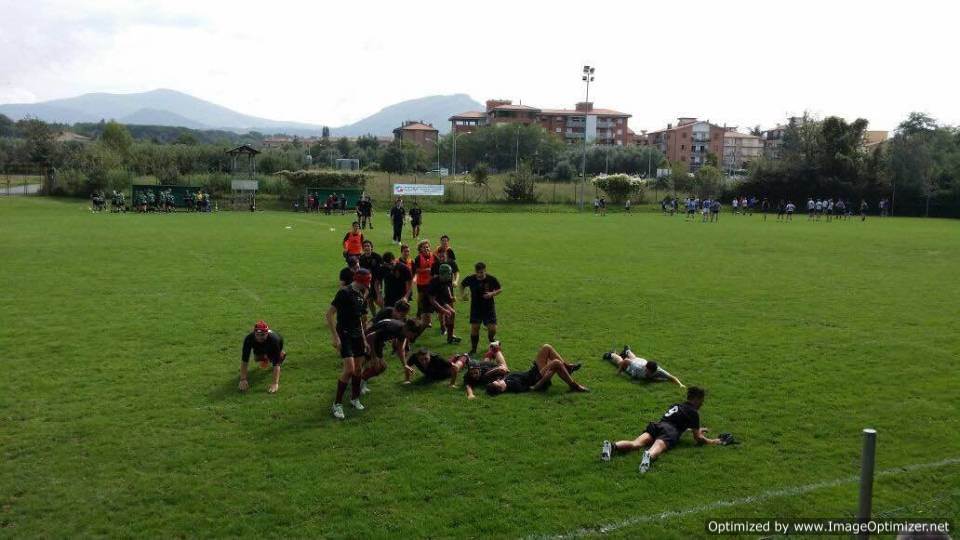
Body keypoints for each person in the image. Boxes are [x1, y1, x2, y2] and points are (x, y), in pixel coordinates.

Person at [601, 387, 734, 473]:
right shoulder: (694, 412)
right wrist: (713, 441)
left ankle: (613, 446)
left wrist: (695, 429)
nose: (702, 403)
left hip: (658, 425)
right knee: (658, 446)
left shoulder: (676, 405)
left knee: (636, 443)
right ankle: (649, 455)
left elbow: (677, 421)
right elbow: (698, 438)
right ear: (695, 399)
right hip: (670, 431)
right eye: (701, 400)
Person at [326, 268, 371, 419]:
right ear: (359, 281)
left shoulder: (362, 294)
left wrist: (364, 338)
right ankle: (337, 404)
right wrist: (335, 337)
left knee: (358, 369)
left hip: (357, 334)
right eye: (367, 282)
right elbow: (329, 314)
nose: (368, 285)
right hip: (344, 334)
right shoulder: (344, 293)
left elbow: (359, 318)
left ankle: (354, 398)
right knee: (350, 369)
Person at [485, 344, 588, 395]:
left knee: (546, 347)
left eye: (496, 380)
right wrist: (549, 374)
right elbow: (534, 387)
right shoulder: (515, 387)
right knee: (556, 363)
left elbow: (486, 376)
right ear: (501, 389)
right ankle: (574, 385)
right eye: (498, 383)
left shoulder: (504, 380)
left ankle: (567, 368)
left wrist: (496, 371)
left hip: (534, 371)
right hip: (538, 378)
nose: (498, 380)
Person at [361, 318, 424, 389]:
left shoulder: (403, 332)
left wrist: (405, 365)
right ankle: (358, 384)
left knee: (380, 367)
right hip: (366, 340)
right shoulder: (392, 328)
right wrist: (374, 356)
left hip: (378, 341)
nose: (413, 337)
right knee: (373, 365)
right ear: (407, 329)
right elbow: (370, 337)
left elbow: (400, 349)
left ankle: (361, 382)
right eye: (413, 334)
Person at [460, 262, 502, 355]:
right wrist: (463, 295)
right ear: (476, 272)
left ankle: (491, 339)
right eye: (478, 273)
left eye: (482, 273)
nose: (480, 275)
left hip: (489, 308)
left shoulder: (491, 279)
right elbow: (462, 285)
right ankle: (473, 349)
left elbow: (499, 289)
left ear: (485, 271)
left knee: (492, 329)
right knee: (475, 328)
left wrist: (492, 294)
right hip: (476, 308)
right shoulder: (471, 278)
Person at [239, 320, 286, 393]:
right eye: (257, 334)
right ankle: (266, 358)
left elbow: (276, 364)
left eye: (263, 334)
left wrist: (275, 384)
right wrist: (243, 379)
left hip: (273, 344)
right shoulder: (249, 339)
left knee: (274, 359)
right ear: (254, 333)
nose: (260, 337)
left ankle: (281, 354)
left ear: (267, 333)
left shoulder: (274, 340)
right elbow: (244, 360)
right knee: (257, 358)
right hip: (260, 345)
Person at [602, 346, 684, 387]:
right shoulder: (638, 367)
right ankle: (611, 355)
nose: (650, 373)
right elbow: (626, 361)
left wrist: (680, 385)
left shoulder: (658, 370)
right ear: (646, 368)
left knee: (634, 358)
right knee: (621, 362)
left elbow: (672, 377)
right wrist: (619, 372)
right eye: (648, 371)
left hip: (639, 361)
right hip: (633, 366)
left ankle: (627, 351)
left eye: (652, 372)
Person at [427, 264, 461, 344]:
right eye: (449, 273)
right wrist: (443, 310)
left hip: (440, 299)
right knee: (425, 323)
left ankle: (450, 337)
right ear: (442, 274)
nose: (450, 275)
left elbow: (448, 287)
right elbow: (432, 300)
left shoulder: (448, 279)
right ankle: (412, 337)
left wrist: (451, 297)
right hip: (428, 302)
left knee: (452, 313)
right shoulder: (434, 282)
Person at [404, 348, 469, 386]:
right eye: (421, 359)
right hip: (433, 373)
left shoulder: (436, 358)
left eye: (426, 359)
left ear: (430, 356)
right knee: (446, 362)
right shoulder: (414, 357)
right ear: (417, 357)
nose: (424, 362)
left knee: (457, 366)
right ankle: (455, 356)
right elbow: (407, 366)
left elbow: (455, 368)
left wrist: (452, 384)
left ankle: (464, 356)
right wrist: (407, 380)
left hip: (445, 373)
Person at [413, 240, 436, 327]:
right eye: (424, 247)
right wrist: (426, 270)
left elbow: (437, 266)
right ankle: (419, 314)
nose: (426, 249)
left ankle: (427, 319)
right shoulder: (418, 258)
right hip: (421, 283)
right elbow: (416, 270)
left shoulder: (434, 256)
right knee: (421, 300)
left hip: (431, 282)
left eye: (427, 247)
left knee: (430, 300)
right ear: (420, 249)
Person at [358, 240, 384, 311]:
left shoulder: (377, 257)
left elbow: (383, 268)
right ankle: (375, 317)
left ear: (371, 247)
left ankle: (385, 313)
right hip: (366, 283)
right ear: (363, 248)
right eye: (365, 246)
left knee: (378, 301)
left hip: (376, 282)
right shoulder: (361, 259)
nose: (366, 247)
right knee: (369, 301)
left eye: (368, 246)